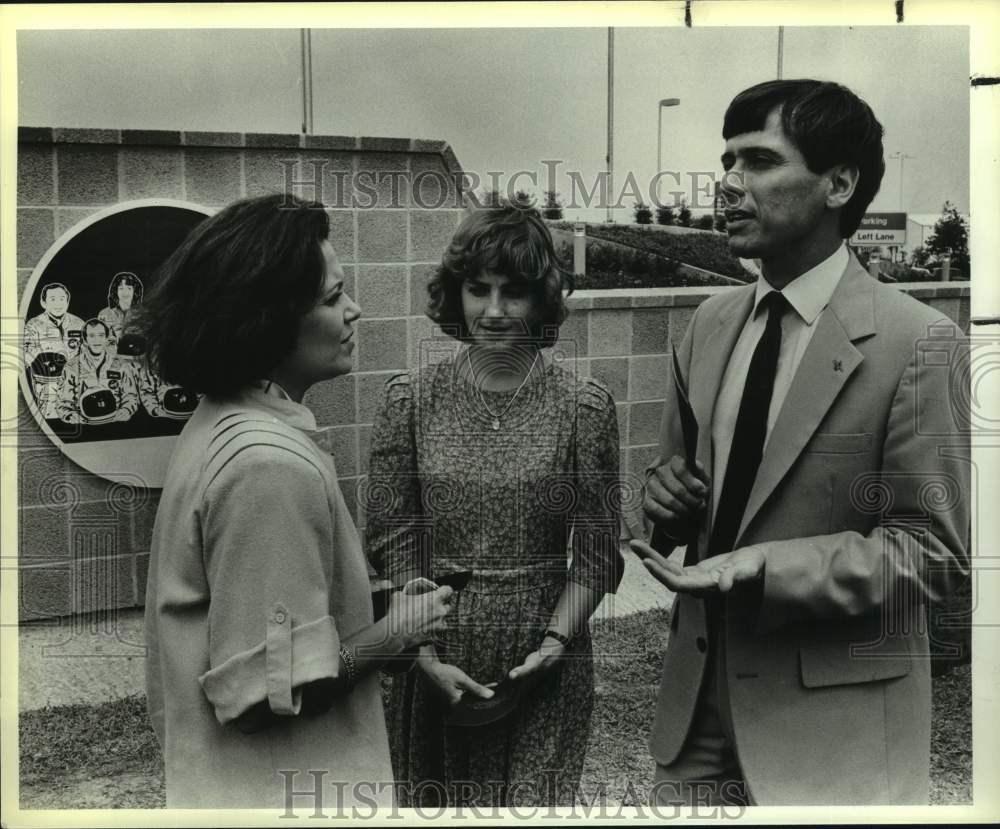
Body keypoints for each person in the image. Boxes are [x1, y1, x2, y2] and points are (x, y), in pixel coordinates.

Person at [631, 79, 970, 806]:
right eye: (726, 162)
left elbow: (931, 554)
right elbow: (682, 494)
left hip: (833, 738)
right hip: (695, 721)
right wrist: (664, 499)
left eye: (757, 161)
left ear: (839, 183)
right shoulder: (708, 326)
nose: (727, 184)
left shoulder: (920, 342)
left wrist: (766, 565)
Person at [138, 194, 454, 809]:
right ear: (269, 320)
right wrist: (395, 636)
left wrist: (374, 603)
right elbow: (264, 695)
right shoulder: (268, 465)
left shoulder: (225, 421)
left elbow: (251, 608)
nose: (355, 310)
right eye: (334, 298)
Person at [366, 199, 624, 808]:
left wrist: (554, 644)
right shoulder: (410, 400)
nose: (495, 310)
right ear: (454, 295)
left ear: (543, 300)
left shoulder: (584, 406)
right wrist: (422, 653)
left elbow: (596, 550)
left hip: (543, 652)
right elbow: (395, 538)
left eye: (514, 292)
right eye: (478, 289)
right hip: (436, 651)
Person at [55, 318, 138, 424]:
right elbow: (63, 401)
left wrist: (126, 410)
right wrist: (70, 415)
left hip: (115, 421)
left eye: (101, 335)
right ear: (85, 340)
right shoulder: (72, 367)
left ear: (106, 338)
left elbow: (130, 395)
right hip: (85, 424)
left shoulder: (120, 365)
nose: (96, 341)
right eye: (92, 336)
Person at [23, 282, 85, 419]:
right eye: (52, 299)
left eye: (62, 299)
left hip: (76, 384)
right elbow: (25, 357)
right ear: (43, 302)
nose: (58, 303)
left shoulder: (79, 323)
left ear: (68, 301)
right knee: (52, 421)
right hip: (47, 386)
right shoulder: (34, 325)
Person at [98, 270, 143, 348]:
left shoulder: (143, 313)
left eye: (129, 288)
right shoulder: (104, 313)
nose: (125, 292)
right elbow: (99, 339)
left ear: (135, 291)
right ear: (116, 291)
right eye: (121, 288)